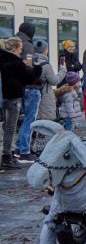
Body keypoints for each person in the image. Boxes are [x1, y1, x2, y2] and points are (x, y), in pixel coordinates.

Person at [0, 37, 42, 169]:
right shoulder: (16, 62)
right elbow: (30, 78)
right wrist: (35, 68)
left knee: (5, 127)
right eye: (20, 48)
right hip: (13, 98)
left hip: (3, 97)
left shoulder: (3, 59)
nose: (21, 51)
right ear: (15, 48)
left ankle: (8, 154)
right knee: (10, 128)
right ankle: (7, 156)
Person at [14, 22, 43, 161]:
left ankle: (18, 148)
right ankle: (24, 151)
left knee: (25, 119)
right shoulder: (29, 46)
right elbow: (30, 68)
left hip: (20, 87)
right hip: (31, 87)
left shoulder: (16, 42)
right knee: (30, 120)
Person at [34, 40, 67, 121]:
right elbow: (54, 81)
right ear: (45, 50)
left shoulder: (30, 62)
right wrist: (63, 70)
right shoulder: (46, 65)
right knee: (45, 121)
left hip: (32, 94)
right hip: (44, 95)